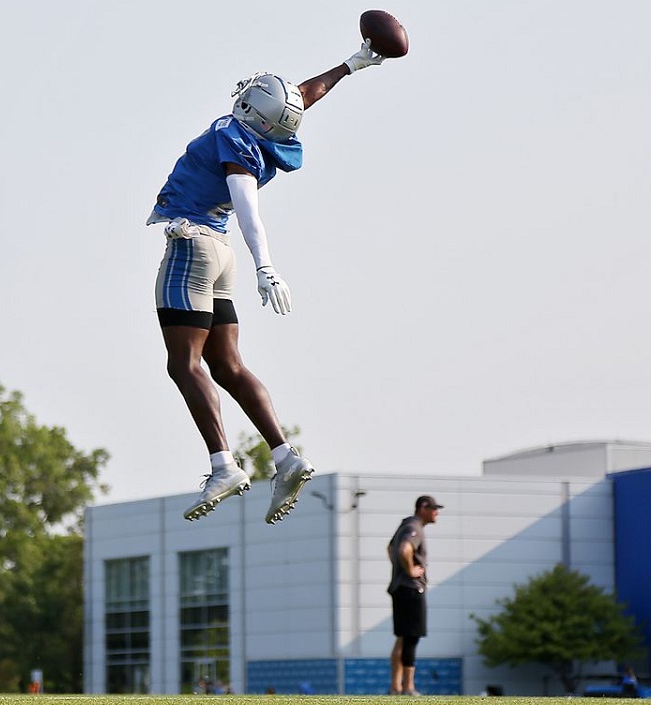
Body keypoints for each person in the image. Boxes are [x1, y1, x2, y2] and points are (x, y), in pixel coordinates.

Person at [148, 40, 390, 524]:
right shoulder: (266, 131)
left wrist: (267, 265)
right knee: (228, 365)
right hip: (219, 257)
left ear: (250, 110)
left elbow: (247, 207)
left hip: (192, 246)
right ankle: (284, 456)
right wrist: (351, 65)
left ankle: (223, 465)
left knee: (183, 364)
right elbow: (300, 97)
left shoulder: (232, 141)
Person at [387, 495, 441, 696]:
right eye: (434, 508)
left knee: (402, 637)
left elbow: (390, 548)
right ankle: (408, 687)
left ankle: (395, 687)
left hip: (400, 588)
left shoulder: (405, 525)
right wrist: (409, 570)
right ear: (423, 508)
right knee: (411, 638)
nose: (437, 513)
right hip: (411, 589)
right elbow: (403, 549)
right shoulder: (414, 527)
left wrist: (398, 570)